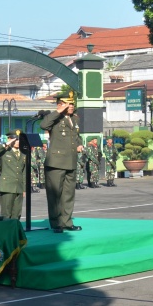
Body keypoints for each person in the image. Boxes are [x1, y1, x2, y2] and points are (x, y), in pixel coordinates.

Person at [40, 92, 84, 233]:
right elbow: (43, 124)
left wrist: (79, 144)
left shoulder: (74, 119)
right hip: (56, 162)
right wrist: (58, 111)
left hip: (71, 161)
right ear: (60, 105)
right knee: (55, 195)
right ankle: (56, 223)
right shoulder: (54, 118)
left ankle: (67, 222)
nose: (72, 106)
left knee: (68, 194)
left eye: (72, 103)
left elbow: (76, 136)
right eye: (69, 104)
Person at [0, 131, 25, 219]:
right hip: (7, 186)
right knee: (6, 213)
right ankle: (5, 232)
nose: (18, 142)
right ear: (10, 139)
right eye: (16, 139)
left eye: (19, 140)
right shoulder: (4, 151)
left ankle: (15, 231)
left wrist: (24, 188)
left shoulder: (23, 153)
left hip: (19, 187)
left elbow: (24, 171)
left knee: (17, 214)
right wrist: (6, 144)